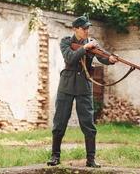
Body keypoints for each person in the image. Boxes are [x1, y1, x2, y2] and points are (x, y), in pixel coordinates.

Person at [47, 15, 118, 168]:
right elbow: (70, 57)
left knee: (88, 123)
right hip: (66, 86)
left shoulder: (91, 43)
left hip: (84, 87)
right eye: (84, 28)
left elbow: (102, 56)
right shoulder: (66, 41)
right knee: (60, 121)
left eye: (88, 28)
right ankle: (55, 156)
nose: (87, 30)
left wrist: (110, 59)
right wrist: (85, 48)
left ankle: (91, 159)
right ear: (75, 29)